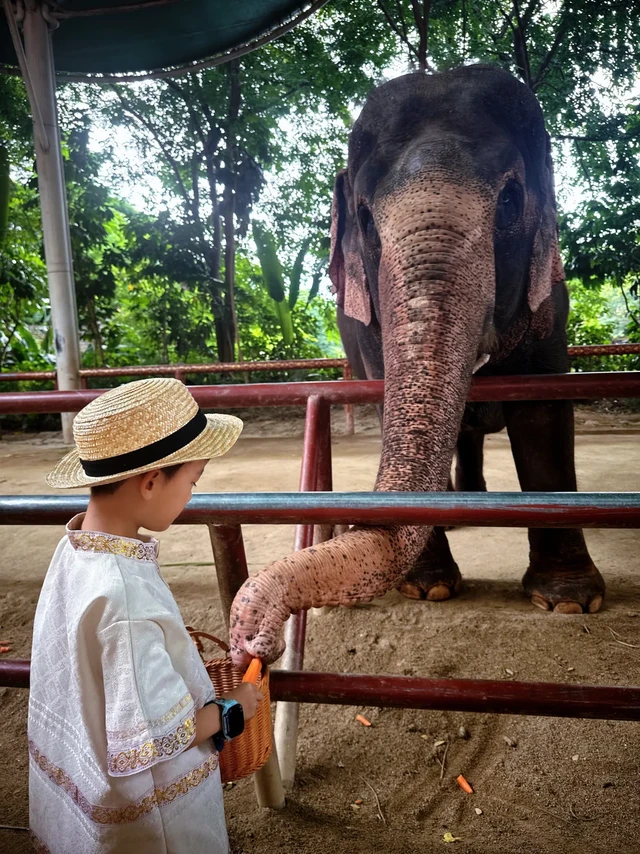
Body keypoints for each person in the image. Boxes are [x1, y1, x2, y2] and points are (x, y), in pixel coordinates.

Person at [29, 378, 262, 854]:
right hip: (154, 822)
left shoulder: (73, 549)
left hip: (92, 784)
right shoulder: (124, 597)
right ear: (152, 481)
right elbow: (160, 737)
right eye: (192, 481)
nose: (192, 495)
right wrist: (234, 706)